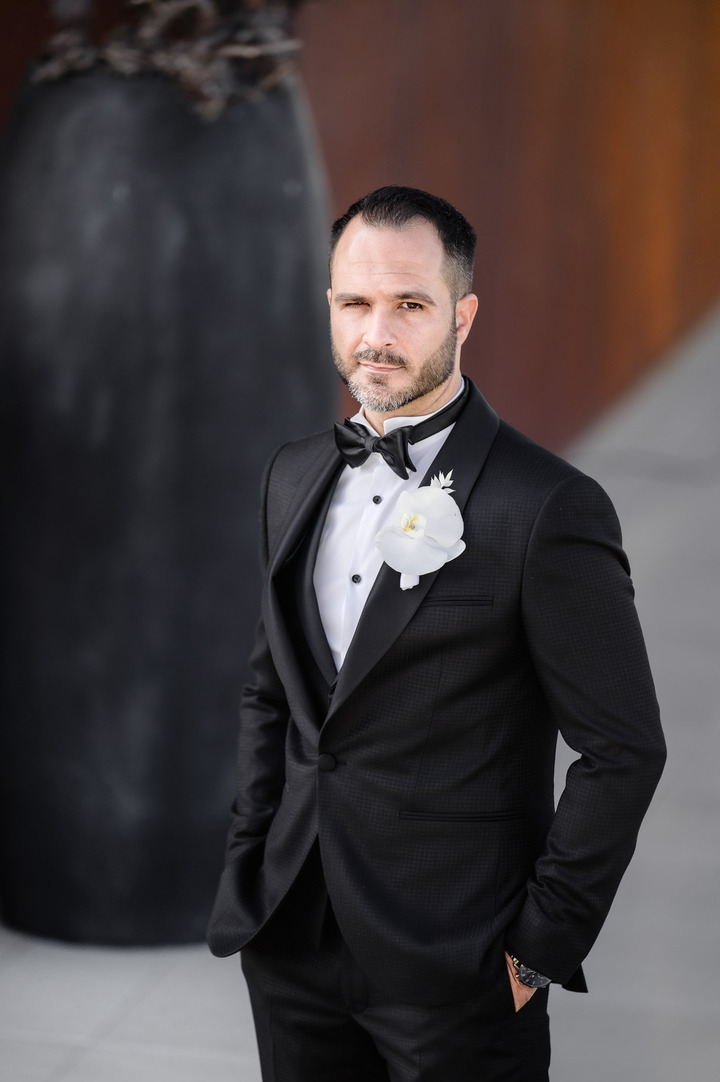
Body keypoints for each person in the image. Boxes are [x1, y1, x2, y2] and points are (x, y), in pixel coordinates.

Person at [207, 186, 666, 1081]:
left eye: (409, 304)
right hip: (292, 933)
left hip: (461, 963)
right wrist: (250, 854)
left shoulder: (549, 508)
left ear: (462, 315)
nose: (376, 332)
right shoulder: (292, 472)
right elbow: (274, 688)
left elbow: (624, 749)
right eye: (354, 303)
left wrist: (540, 946)